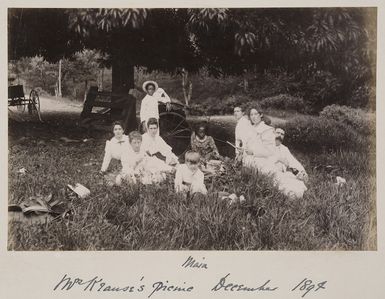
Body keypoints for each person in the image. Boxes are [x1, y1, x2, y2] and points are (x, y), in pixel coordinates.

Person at [272, 128, 308, 198]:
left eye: (282, 134)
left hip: (282, 173)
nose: (280, 135)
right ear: (273, 133)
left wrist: (302, 171)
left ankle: (295, 196)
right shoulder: (267, 145)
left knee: (297, 181)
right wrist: (279, 159)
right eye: (278, 133)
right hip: (271, 172)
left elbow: (292, 161)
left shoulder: (284, 149)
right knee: (285, 184)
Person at [243, 106, 278, 175]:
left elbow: (270, 151)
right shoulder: (250, 129)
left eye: (256, 114)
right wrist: (243, 151)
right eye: (251, 115)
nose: (253, 117)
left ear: (261, 115)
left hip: (263, 164)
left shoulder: (267, 129)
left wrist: (253, 152)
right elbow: (248, 146)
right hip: (249, 164)